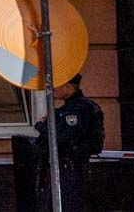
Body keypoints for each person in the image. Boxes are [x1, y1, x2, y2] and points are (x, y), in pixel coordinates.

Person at [34, 74, 105, 212]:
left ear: (68, 86)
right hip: (66, 168)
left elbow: (60, 137)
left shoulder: (77, 109)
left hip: (70, 169)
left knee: (66, 205)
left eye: (58, 84)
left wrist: (41, 126)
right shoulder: (71, 108)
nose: (54, 88)